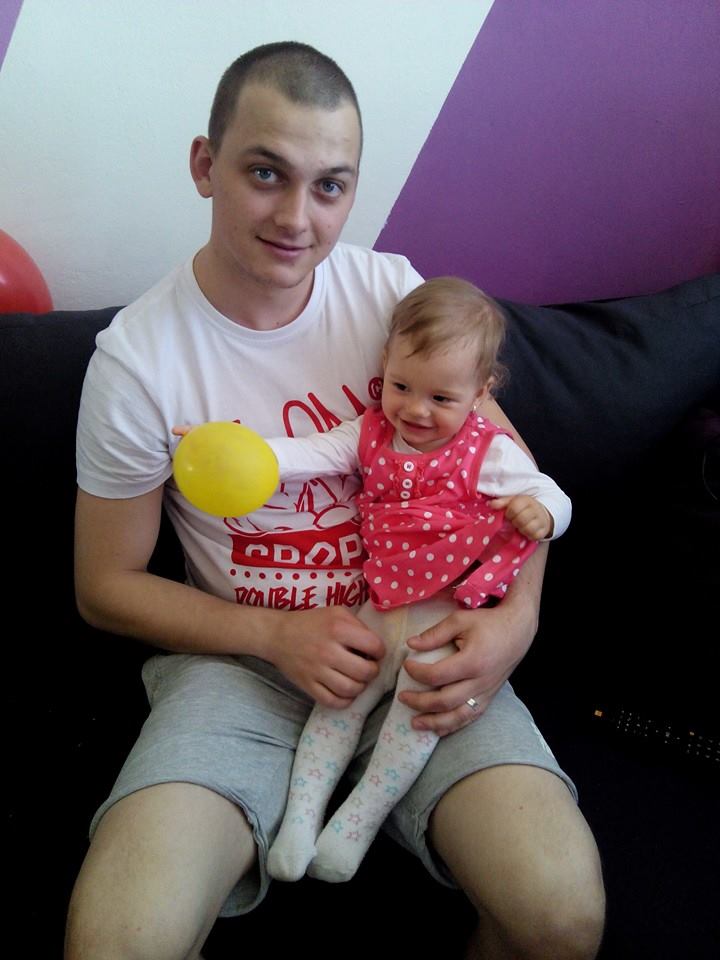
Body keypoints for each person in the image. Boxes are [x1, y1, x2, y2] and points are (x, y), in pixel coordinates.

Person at [66, 41, 605, 960]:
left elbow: (511, 474)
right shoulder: (137, 363)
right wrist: (276, 635)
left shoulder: (392, 296)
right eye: (265, 173)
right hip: (243, 666)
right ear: (205, 165)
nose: (296, 217)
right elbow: (103, 587)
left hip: (425, 641)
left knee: (560, 917)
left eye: (329, 186)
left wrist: (518, 621)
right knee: (122, 939)